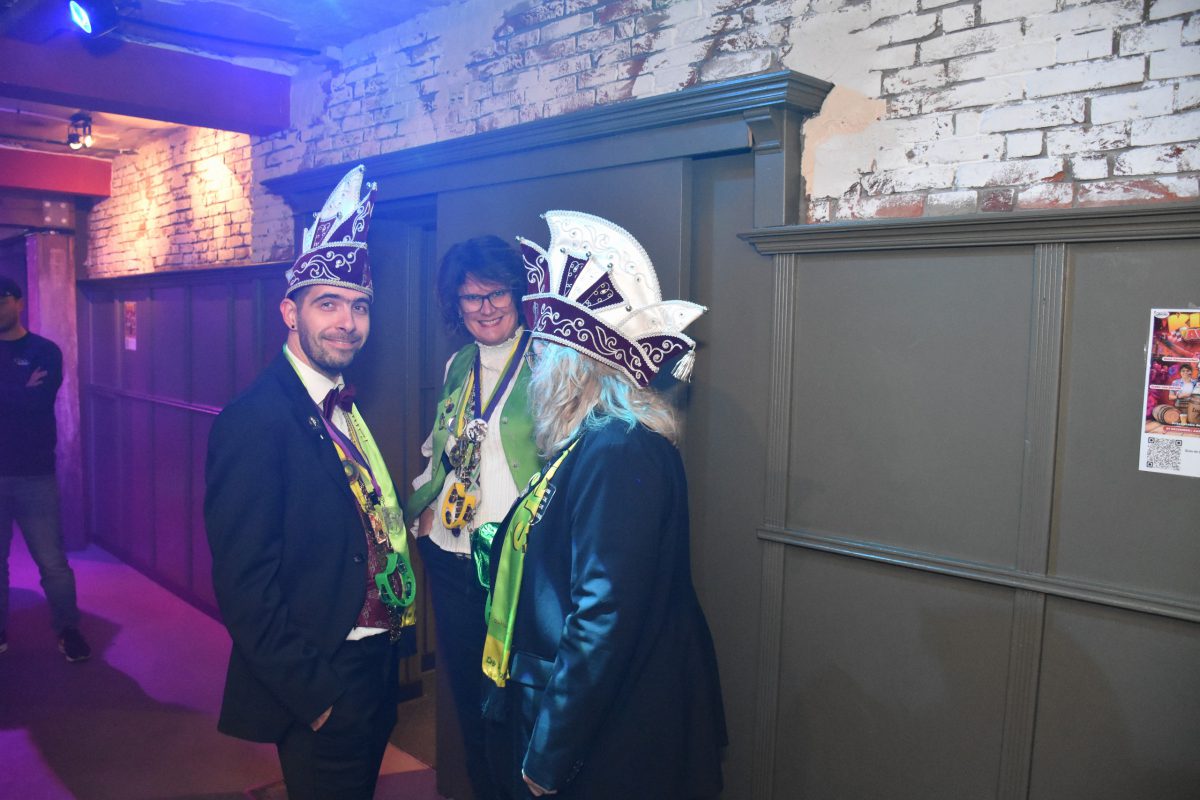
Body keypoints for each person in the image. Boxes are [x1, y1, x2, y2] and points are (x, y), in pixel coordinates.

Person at [481, 211, 727, 799]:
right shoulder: (599, 441)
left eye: (542, 348)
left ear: (572, 365)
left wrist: (547, 755)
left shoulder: (618, 450)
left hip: (615, 730)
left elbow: (602, 618)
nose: (533, 361)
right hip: (612, 713)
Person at [204, 166, 416, 800]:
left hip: (375, 662)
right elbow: (244, 585)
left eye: (359, 307)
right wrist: (314, 695)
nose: (347, 322)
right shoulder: (254, 420)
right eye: (328, 304)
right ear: (289, 312)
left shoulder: (343, 405)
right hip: (322, 673)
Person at [407, 235, 539, 800]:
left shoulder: (549, 360)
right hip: (450, 555)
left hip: (516, 564)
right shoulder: (457, 363)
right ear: (455, 304)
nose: (485, 308)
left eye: (496, 293)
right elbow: (440, 446)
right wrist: (424, 507)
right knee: (468, 699)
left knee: (514, 702)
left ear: (518, 293)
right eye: (470, 297)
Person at [0, 276, 91, 663]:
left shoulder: (45, 351)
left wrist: (18, 396)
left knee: (52, 562)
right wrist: (20, 389)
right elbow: (23, 401)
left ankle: (68, 630)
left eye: (2, 300)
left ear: (19, 303)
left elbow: (37, 404)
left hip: (34, 474)